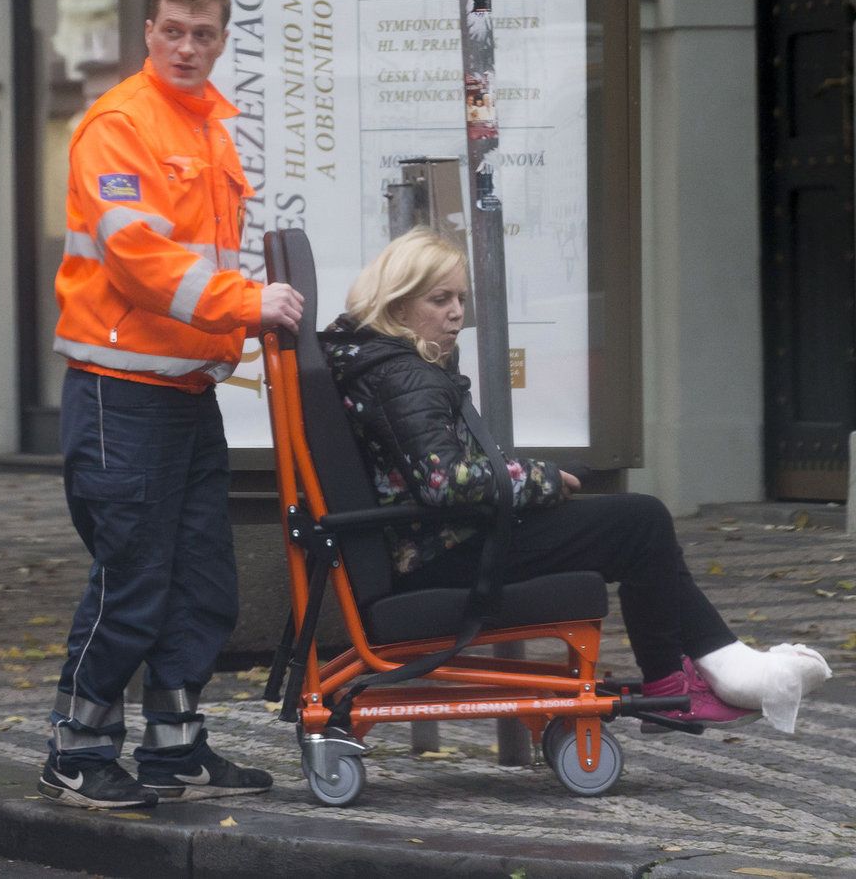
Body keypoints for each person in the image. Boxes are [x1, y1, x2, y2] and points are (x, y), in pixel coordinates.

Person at [321, 228, 830, 735]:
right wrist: (541, 479)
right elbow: (444, 482)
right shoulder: (402, 374)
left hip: (447, 541)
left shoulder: (387, 365)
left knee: (638, 524)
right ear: (399, 305)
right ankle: (682, 682)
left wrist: (539, 478)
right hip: (447, 553)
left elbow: (443, 475)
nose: (457, 312)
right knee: (642, 520)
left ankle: (704, 672)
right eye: (440, 300)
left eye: (460, 298)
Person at [41, 0, 304, 809]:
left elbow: (195, 264)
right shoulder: (120, 125)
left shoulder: (207, 128)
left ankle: (175, 745)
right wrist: (248, 308)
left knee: (203, 582)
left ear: (224, 39)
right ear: (148, 33)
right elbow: (143, 260)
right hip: (122, 394)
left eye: (204, 34)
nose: (188, 47)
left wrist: (236, 339)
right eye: (173, 31)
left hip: (183, 391)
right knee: (135, 579)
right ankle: (76, 750)